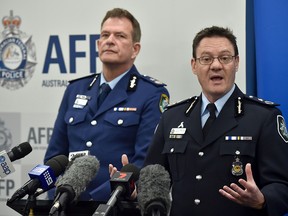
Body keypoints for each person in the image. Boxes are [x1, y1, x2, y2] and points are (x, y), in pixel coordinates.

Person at [141, 26, 288, 215]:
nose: (216, 65)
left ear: (236, 63)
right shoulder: (172, 117)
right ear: (194, 65)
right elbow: (154, 175)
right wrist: (133, 185)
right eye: (206, 59)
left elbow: (282, 185)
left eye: (225, 58)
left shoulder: (264, 117)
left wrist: (263, 199)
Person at [44, 8, 169, 202]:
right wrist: (59, 196)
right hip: (66, 203)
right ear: (98, 44)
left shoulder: (151, 93)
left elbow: (145, 161)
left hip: (115, 205)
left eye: (120, 36)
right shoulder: (76, 89)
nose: (110, 40)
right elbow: (54, 156)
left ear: (135, 49)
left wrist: (98, 198)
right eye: (105, 35)